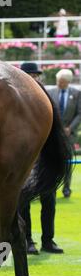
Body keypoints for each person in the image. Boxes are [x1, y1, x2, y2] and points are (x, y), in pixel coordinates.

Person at [19, 62, 65, 255]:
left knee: (49, 201)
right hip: (25, 158)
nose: (34, 79)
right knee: (24, 202)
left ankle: (48, 240)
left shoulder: (47, 98)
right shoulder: (17, 101)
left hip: (45, 158)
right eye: (30, 75)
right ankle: (28, 240)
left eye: (36, 75)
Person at [48, 68, 80, 198]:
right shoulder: (50, 92)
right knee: (50, 161)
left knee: (67, 163)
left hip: (69, 135)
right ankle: (50, 187)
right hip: (52, 133)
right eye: (58, 81)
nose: (59, 84)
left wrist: (70, 128)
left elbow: (79, 113)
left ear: (68, 82)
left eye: (61, 82)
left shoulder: (77, 94)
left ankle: (66, 188)